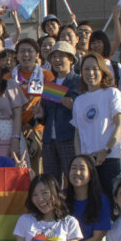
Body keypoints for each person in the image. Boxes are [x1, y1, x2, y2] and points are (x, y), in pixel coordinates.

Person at [13, 174, 82, 241]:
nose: (40, 199)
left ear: (55, 193)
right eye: (34, 195)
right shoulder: (24, 220)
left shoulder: (70, 222)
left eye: (45, 193)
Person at [6, 38, 53, 174]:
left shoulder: (47, 75)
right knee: (18, 170)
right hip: (15, 131)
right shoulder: (8, 77)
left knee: (37, 172)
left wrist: (33, 125)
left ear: (37, 55)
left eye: (30, 51)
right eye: (22, 51)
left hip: (38, 129)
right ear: (17, 55)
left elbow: (52, 104)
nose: (26, 55)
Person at [64, 155, 111, 241]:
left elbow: (97, 239)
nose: (77, 172)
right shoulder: (61, 198)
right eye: (73, 168)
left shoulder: (101, 201)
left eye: (81, 169)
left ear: (90, 174)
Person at [40, 40, 81, 186]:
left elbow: (83, 109)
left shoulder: (78, 81)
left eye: (61, 56)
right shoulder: (50, 83)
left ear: (70, 59)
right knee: (51, 181)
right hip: (49, 140)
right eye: (54, 57)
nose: (57, 60)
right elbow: (46, 113)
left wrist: (74, 105)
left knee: (72, 179)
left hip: (68, 137)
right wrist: (40, 114)